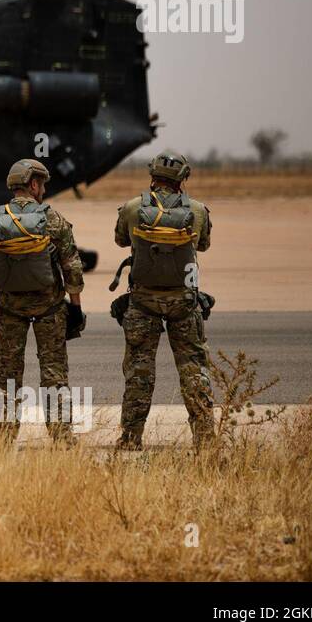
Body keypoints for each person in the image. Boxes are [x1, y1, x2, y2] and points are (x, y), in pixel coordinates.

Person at [113, 149, 214, 451]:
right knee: (193, 370)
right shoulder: (197, 211)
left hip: (143, 302)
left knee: (139, 373)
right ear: (183, 179)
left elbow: (120, 240)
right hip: (184, 303)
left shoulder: (132, 208)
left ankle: (130, 439)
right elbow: (204, 244)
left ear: (152, 175)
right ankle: (205, 440)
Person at [0, 158, 84, 444]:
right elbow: (72, 267)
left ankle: (4, 437)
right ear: (33, 184)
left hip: (8, 309)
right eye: (41, 184)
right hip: (50, 310)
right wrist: (76, 308)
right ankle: (61, 436)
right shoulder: (53, 219)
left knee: (7, 373)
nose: (43, 189)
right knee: (54, 372)